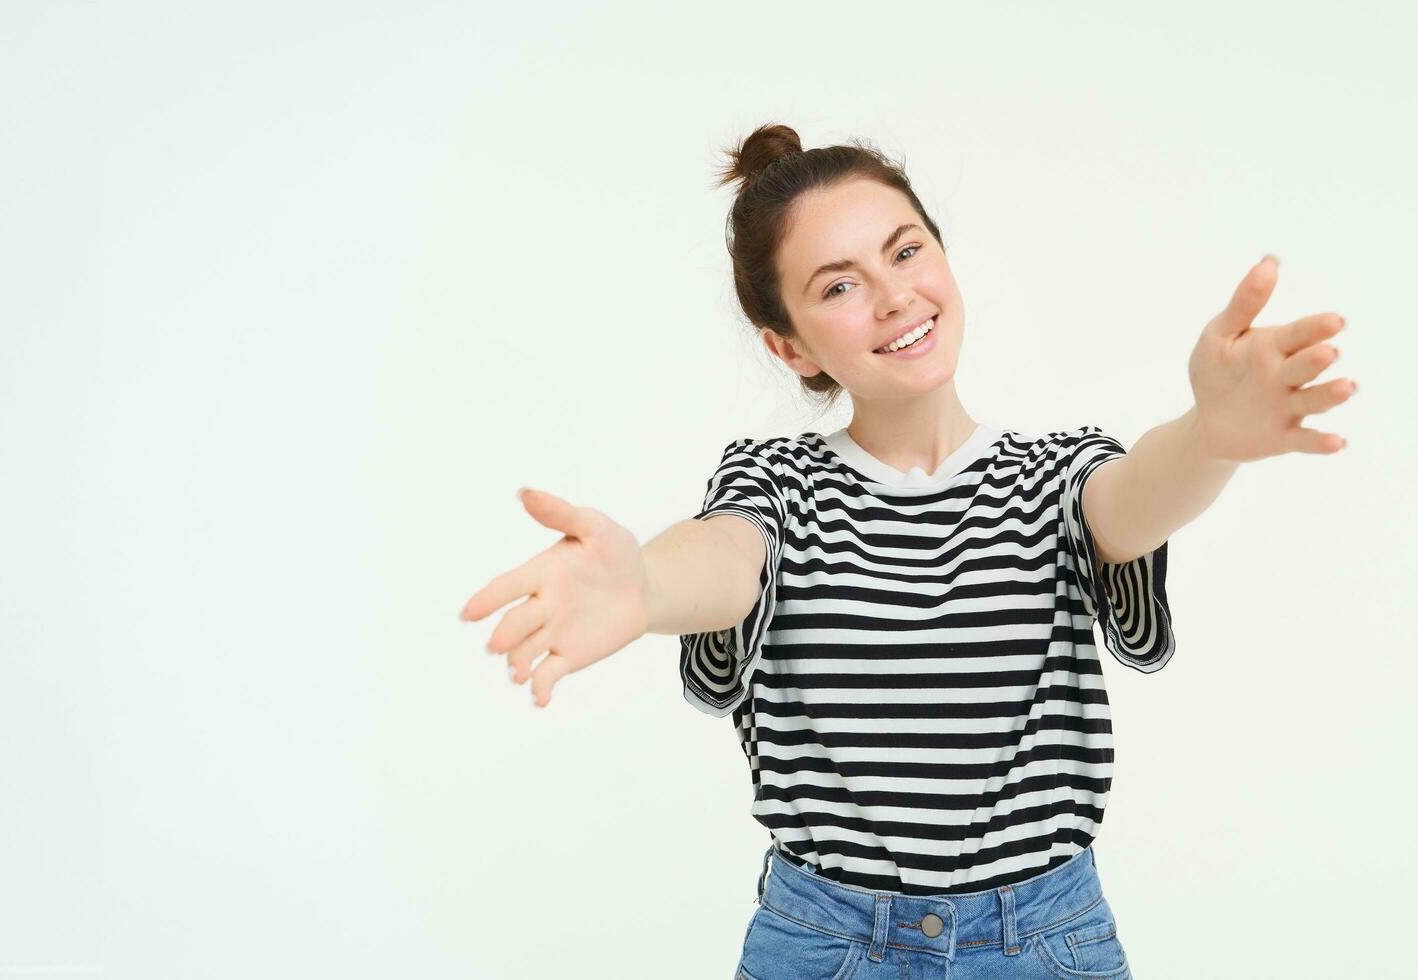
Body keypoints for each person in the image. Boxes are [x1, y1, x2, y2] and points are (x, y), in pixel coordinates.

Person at [458, 123, 1356, 979]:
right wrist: (646, 584)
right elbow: (727, 559)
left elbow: (1130, 502)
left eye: (906, 250)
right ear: (791, 346)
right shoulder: (776, 485)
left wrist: (1210, 435)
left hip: (1044, 941)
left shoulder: (1050, 476)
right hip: (825, 946)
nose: (894, 297)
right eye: (838, 286)